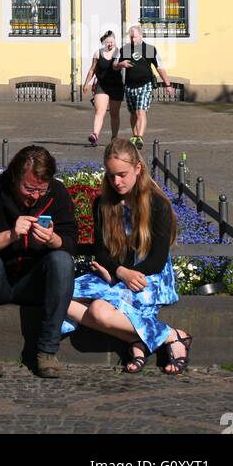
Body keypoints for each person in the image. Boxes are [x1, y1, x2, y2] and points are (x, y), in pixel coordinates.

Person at [61, 138, 193, 374]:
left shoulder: (156, 204)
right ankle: (167, 336)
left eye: (122, 174)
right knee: (59, 295)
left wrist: (126, 275)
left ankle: (142, 341)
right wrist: (118, 272)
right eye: (111, 175)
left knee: (99, 311)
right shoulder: (104, 202)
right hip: (116, 271)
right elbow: (100, 250)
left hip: (150, 274)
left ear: (137, 168)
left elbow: (158, 259)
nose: (116, 181)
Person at [0, 144, 78, 378]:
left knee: (62, 260)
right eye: (29, 188)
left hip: (33, 281)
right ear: (14, 177)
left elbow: (72, 242)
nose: (35, 197)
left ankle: (47, 352)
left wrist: (53, 239)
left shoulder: (57, 193)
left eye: (41, 190)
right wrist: (10, 236)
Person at [114, 24, 174, 148]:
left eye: (135, 37)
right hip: (130, 86)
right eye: (131, 37)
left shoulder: (150, 49)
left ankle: (139, 137)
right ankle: (135, 136)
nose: (132, 40)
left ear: (141, 36)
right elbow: (114, 65)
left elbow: (159, 68)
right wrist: (121, 64)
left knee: (141, 112)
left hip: (145, 84)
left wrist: (168, 84)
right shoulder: (124, 49)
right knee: (133, 114)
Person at [82, 29, 124, 146]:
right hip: (102, 85)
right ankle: (95, 135)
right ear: (103, 43)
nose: (110, 44)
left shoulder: (120, 53)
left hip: (116, 86)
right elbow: (92, 69)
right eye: (107, 42)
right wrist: (86, 83)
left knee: (114, 113)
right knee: (100, 111)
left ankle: (114, 137)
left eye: (112, 41)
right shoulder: (98, 53)